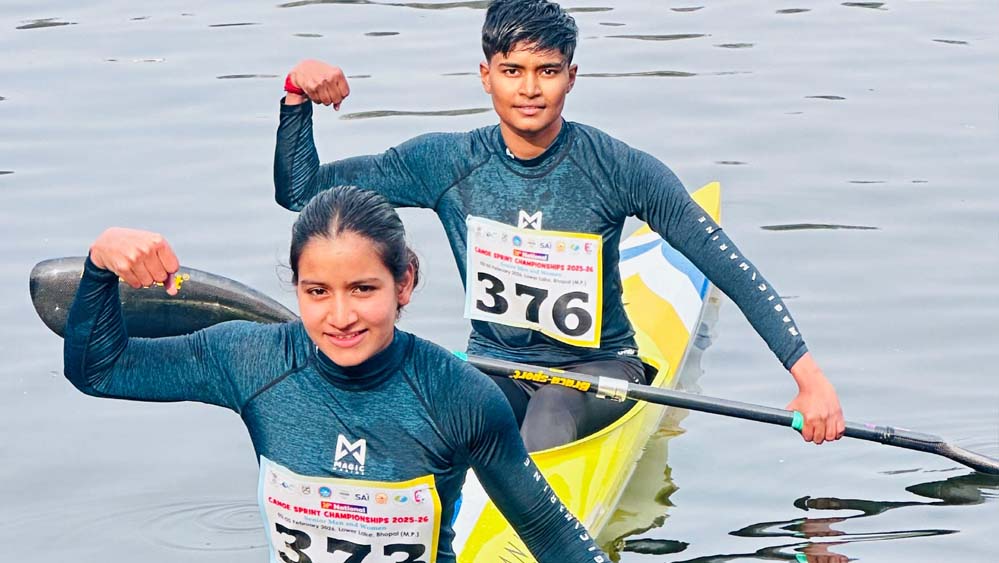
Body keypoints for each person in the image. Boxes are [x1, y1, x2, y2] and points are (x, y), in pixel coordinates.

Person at [274, 0, 845, 451]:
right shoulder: (446, 163)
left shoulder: (617, 169)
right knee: (433, 409)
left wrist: (809, 378)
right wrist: (296, 98)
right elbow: (300, 193)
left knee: (551, 407)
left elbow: (727, 265)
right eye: (512, 71)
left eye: (546, 71)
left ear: (571, 77)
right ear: (485, 76)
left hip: (600, 371)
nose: (529, 89)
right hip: (493, 365)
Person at [62, 186, 610, 563]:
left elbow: (549, 533)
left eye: (363, 289)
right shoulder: (250, 360)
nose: (341, 317)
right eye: (317, 292)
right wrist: (100, 267)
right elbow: (99, 370)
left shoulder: (458, 396)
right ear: (296, 287)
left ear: (404, 284)